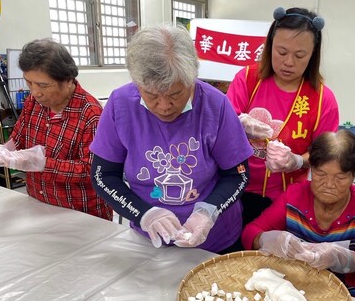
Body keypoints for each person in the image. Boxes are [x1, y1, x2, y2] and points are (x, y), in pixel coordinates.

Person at [89, 24, 253, 253]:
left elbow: (237, 175)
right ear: (137, 84)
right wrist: (144, 213)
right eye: (152, 95)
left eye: (176, 94)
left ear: (192, 79)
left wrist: (208, 211)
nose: (164, 107)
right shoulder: (120, 104)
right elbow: (103, 175)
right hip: (150, 241)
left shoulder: (215, 105)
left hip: (215, 241)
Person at [242, 130, 355, 301]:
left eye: (340, 177)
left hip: (346, 297)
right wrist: (267, 239)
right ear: (311, 169)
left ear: (353, 176)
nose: (328, 185)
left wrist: (346, 260)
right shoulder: (295, 196)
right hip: (294, 289)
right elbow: (250, 232)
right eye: (320, 174)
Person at [226, 7, 340, 226]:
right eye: (281, 52)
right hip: (236, 185)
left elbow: (324, 155)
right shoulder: (248, 78)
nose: (289, 62)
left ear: (313, 55)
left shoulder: (323, 99)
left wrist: (296, 161)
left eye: (300, 56)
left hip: (285, 196)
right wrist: (239, 122)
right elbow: (222, 129)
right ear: (269, 47)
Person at [0, 38, 112, 220]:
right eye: (29, 83)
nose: (35, 92)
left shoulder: (91, 114)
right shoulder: (34, 102)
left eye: (43, 85)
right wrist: (5, 150)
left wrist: (43, 163)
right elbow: (19, 135)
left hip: (80, 212)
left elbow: (93, 170)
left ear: (68, 80)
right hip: (39, 202)